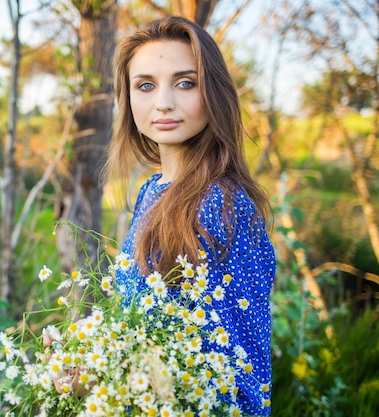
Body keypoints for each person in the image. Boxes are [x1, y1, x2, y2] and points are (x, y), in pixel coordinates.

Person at [105, 16, 277, 416]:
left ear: (213, 92)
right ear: (128, 98)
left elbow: (239, 384)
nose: (163, 102)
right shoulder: (152, 190)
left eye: (186, 82)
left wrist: (100, 382)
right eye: (145, 85)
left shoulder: (223, 205)